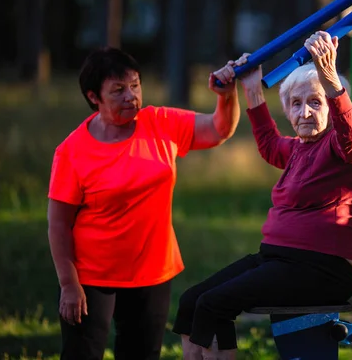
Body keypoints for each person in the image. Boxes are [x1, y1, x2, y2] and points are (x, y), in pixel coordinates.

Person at [172, 30, 352, 360]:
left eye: (315, 102)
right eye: (296, 104)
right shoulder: (297, 149)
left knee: (213, 305)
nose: (304, 113)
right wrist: (252, 86)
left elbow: (349, 132)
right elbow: (268, 143)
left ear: (331, 106)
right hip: (277, 258)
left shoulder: (344, 150)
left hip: (321, 268)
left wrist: (328, 74)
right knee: (192, 301)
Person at [47, 47, 240, 360]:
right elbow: (58, 223)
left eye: (135, 86)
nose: (131, 97)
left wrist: (227, 96)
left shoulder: (160, 122)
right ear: (94, 97)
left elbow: (219, 129)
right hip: (91, 277)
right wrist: (69, 284)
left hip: (151, 273)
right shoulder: (71, 151)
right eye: (119, 90)